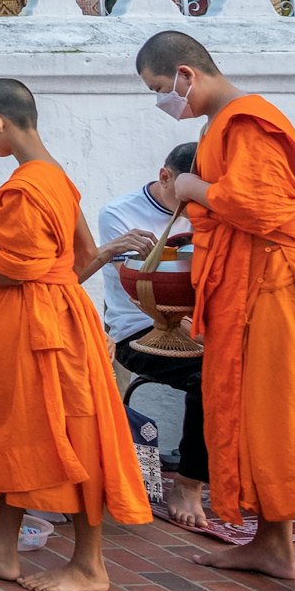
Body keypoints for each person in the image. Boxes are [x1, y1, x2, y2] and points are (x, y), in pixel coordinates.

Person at [143, 30, 295, 591]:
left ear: (186, 75)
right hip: (247, 292)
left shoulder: (249, 121)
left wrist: (194, 186)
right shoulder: (220, 127)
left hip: (285, 291)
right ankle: (273, 544)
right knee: (259, 416)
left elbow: (261, 207)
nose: (161, 102)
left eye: (159, 88)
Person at [0, 82, 149, 591]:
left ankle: (90, 564)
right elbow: (81, 258)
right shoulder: (58, 181)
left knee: (77, 432)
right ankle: (2, 550)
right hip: (52, 317)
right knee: (13, 431)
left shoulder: (28, 185)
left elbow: (20, 269)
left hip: (45, 326)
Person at [93, 141, 210, 528]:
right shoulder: (120, 214)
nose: (195, 199)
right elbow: (141, 286)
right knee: (209, 377)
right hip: (140, 331)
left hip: (202, 327)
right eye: (188, 188)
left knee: (265, 368)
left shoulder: (206, 210)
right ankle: (188, 484)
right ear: (165, 177)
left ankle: (261, 481)